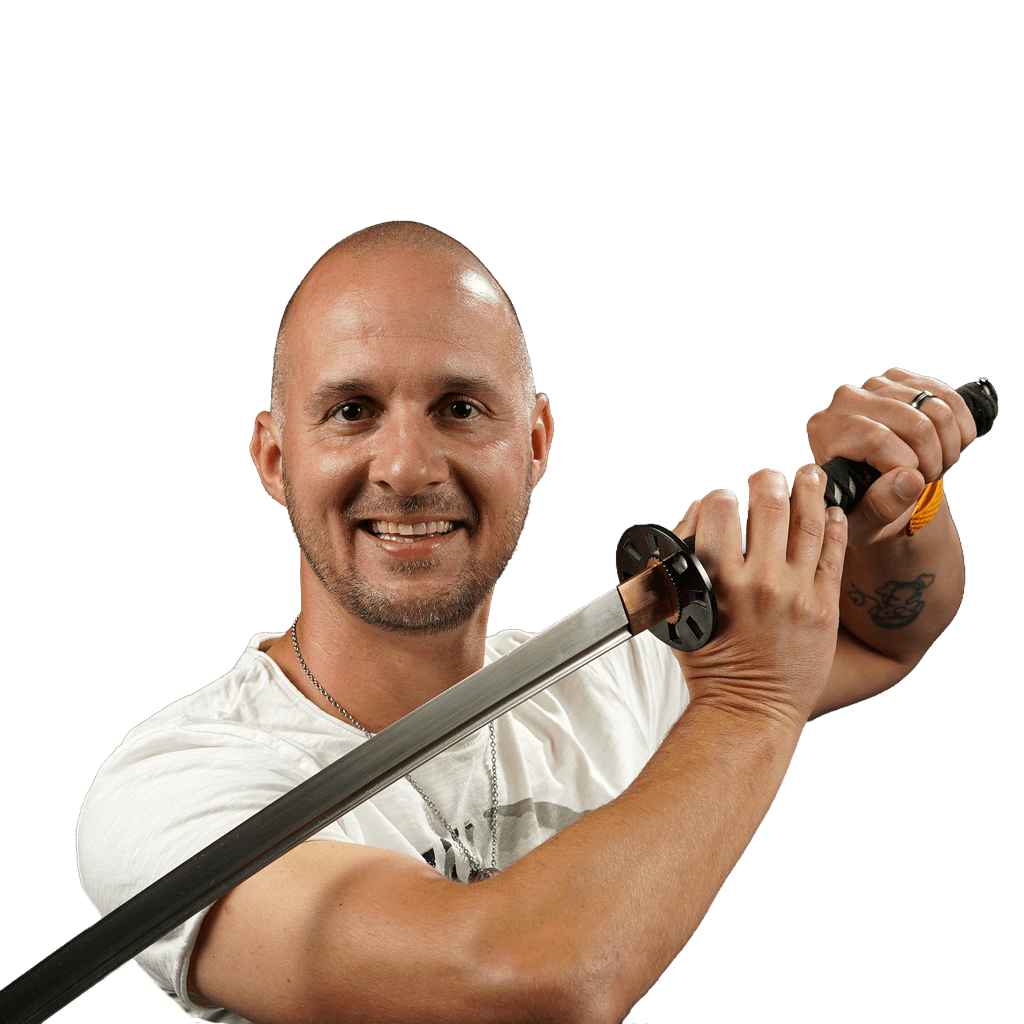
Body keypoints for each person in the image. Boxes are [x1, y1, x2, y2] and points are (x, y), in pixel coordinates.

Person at [77, 221, 977, 1024]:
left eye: (460, 408)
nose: (405, 466)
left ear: (535, 443)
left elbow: (880, 632)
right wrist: (747, 702)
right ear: (277, 458)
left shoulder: (612, 675)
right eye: (352, 412)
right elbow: (530, 987)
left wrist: (905, 505)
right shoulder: (177, 789)